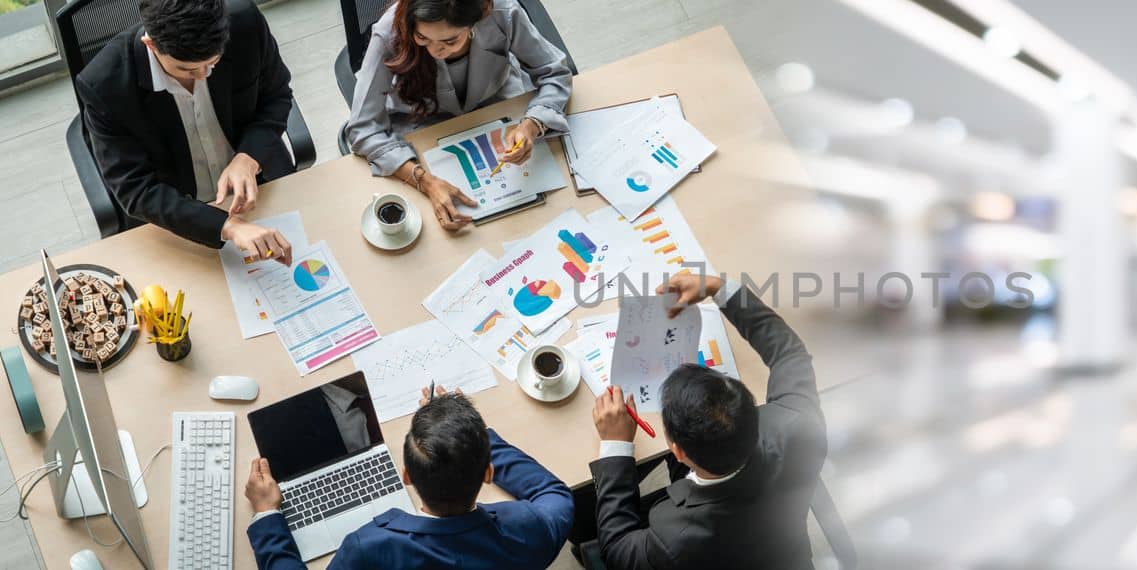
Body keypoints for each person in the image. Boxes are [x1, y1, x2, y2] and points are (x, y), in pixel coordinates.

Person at [577, 273, 828, 568]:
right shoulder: (800, 427)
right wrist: (721, 289)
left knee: (580, 511)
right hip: (784, 550)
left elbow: (618, 550)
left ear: (678, 451)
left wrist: (616, 445)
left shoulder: (674, 538)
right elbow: (791, 354)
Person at [244, 388, 574, 569]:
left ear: (406, 477)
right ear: (488, 473)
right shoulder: (529, 528)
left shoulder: (368, 550)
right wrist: (469, 436)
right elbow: (555, 494)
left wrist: (267, 517)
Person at [77, 0, 297, 264]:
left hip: (261, 187)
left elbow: (277, 97)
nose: (202, 75)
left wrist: (247, 157)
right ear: (151, 44)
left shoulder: (245, 24)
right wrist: (227, 226)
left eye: (212, 63)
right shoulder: (104, 85)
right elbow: (136, 189)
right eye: (187, 69)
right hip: (179, 216)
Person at [345, 0, 573, 232]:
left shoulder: (503, 11)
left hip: (496, 104)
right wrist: (425, 181)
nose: (434, 51)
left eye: (450, 40)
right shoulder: (389, 30)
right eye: (422, 38)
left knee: (540, 215)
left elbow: (555, 73)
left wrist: (533, 123)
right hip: (422, 124)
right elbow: (363, 128)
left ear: (477, 21)